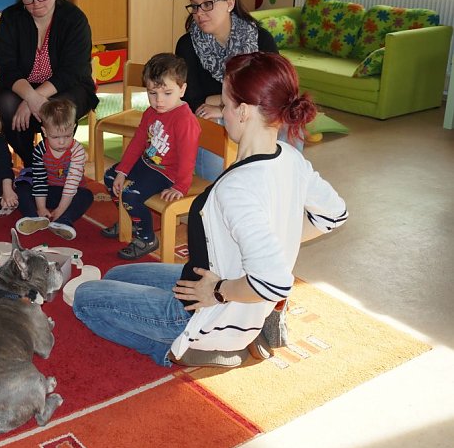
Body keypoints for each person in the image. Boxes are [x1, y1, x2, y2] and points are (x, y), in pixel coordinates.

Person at [73, 52, 348, 368]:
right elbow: (334, 214)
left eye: (225, 104)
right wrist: (278, 240)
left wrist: (218, 291)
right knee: (118, 275)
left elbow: (272, 282)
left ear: (243, 111)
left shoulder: (237, 188)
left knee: (86, 300)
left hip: (205, 312)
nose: (221, 112)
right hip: (217, 286)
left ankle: (186, 349)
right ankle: (236, 332)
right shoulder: (288, 156)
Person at [0, 0, 98, 169]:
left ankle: (57, 165)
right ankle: (34, 166)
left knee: (59, 108)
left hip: (68, 87)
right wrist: (30, 96)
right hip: (24, 87)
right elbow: (6, 68)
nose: (35, 4)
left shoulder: (73, 19)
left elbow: (72, 71)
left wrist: (37, 97)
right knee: (5, 104)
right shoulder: (11, 18)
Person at [175, 0, 278, 180]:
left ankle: (274, 193)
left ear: (230, 3)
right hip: (215, 119)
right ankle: (215, 196)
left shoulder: (260, 40)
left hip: (255, 118)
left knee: (288, 128)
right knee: (210, 126)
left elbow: (273, 95)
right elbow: (193, 100)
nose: (199, 13)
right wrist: (228, 106)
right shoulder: (187, 45)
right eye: (194, 6)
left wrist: (222, 106)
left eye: (207, 4)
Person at [99, 53, 200, 260]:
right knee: (110, 177)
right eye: (152, 93)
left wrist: (180, 186)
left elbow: (189, 157)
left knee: (131, 194)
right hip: (148, 163)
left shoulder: (184, 120)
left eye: (167, 93)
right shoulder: (150, 112)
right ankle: (130, 219)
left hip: (168, 174)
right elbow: (137, 143)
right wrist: (122, 170)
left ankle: (146, 237)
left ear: (182, 89)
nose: (159, 100)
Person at [14, 98, 93, 241]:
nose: (62, 142)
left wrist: (60, 211)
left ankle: (64, 221)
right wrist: (41, 208)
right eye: (55, 137)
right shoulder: (40, 150)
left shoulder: (77, 151)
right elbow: (39, 180)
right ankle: (32, 218)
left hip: (70, 193)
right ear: (44, 132)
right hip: (48, 191)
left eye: (67, 136)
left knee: (86, 195)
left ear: (74, 127)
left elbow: (71, 185)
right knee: (22, 189)